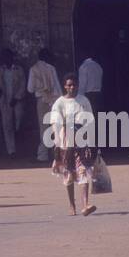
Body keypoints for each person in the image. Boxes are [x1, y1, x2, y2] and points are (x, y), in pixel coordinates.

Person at [50, 73, 97, 216]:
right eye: (69, 85)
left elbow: (90, 120)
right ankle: (72, 205)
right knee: (69, 173)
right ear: (65, 86)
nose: (72, 87)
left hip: (81, 141)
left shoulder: (83, 101)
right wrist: (57, 141)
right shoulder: (59, 103)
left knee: (83, 170)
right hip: (66, 143)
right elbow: (55, 122)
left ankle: (85, 205)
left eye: (74, 85)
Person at [0, 48, 24, 160]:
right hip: (5, 100)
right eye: (4, 57)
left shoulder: (18, 70)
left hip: (17, 100)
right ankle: (11, 151)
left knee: (18, 123)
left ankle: (20, 146)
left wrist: (17, 98)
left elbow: (23, 85)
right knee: (7, 126)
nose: (6, 59)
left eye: (8, 57)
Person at [27, 48, 60, 163]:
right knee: (56, 127)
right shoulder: (52, 68)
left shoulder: (33, 69)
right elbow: (57, 87)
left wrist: (40, 88)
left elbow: (30, 89)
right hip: (54, 101)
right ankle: (58, 153)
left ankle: (43, 155)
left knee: (43, 127)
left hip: (41, 100)